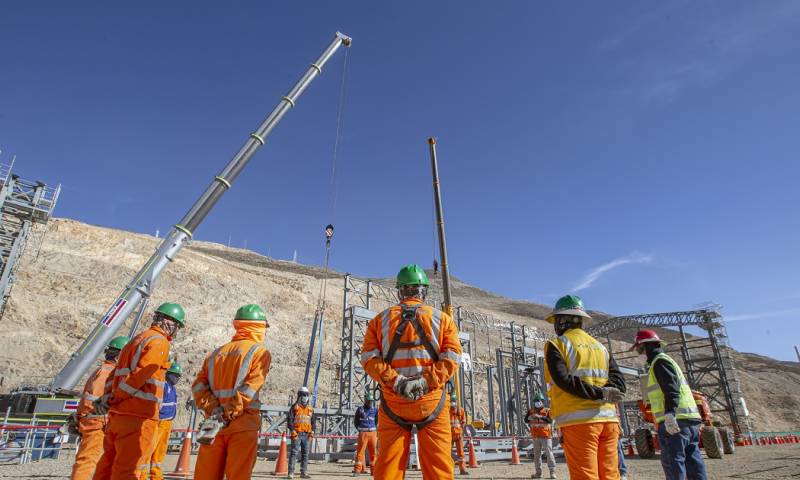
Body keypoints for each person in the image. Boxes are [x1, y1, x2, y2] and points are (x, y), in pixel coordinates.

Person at [361, 264, 462, 480]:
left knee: (387, 468)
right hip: (432, 402)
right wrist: (425, 383)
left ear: (400, 291)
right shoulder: (443, 320)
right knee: (439, 469)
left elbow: (369, 359)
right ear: (422, 290)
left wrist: (396, 381)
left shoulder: (379, 321)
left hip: (393, 403)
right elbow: (452, 358)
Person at [93, 302, 185, 480]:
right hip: (138, 415)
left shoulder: (136, 339)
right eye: (177, 326)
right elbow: (138, 377)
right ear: (168, 321)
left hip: (119, 415)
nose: (176, 331)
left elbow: (115, 374)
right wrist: (116, 398)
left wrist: (108, 399)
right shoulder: (159, 343)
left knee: (107, 465)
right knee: (128, 468)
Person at [542, 294, 626, 480]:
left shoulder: (557, 345)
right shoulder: (600, 347)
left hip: (579, 422)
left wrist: (598, 393)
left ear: (563, 321)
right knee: (610, 475)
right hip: (609, 422)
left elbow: (563, 380)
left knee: (585, 476)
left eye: (557, 320)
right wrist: (605, 393)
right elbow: (619, 382)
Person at [192, 304, 272, 480]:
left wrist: (215, 410)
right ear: (259, 328)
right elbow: (250, 389)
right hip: (242, 426)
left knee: (206, 475)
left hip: (214, 426)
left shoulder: (215, 354)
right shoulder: (260, 352)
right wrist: (228, 413)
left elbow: (198, 387)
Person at [631, 330, 707, 480]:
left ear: (646, 346)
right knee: (693, 462)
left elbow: (671, 389)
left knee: (673, 462)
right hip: (689, 420)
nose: (638, 353)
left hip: (675, 421)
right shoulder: (665, 360)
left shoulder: (660, 362)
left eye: (639, 349)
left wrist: (670, 413)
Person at [70, 336, 129, 480]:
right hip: (97, 424)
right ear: (120, 356)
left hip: (94, 421)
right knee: (88, 461)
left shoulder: (104, 370)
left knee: (95, 461)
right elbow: (97, 398)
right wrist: (104, 419)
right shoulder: (107, 372)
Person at [147, 362, 181, 480]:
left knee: (160, 451)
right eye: (175, 375)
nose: (177, 378)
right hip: (158, 422)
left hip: (167, 423)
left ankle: (156, 476)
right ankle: (141, 476)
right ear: (168, 374)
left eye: (178, 376)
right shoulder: (164, 386)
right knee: (150, 448)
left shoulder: (173, 388)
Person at [524, 392, 555, 479]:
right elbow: (526, 420)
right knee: (537, 456)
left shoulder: (547, 411)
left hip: (546, 436)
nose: (538, 402)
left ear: (542, 401)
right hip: (535, 436)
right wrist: (530, 417)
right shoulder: (531, 411)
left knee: (549, 454)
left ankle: (552, 472)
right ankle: (538, 473)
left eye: (539, 400)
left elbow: (550, 420)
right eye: (536, 400)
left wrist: (540, 417)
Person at [287, 386, 316, 479]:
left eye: (306, 395)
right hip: (297, 434)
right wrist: (292, 430)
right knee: (294, 453)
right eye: (303, 395)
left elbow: (313, 421)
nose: (305, 397)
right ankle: (291, 473)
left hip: (307, 435)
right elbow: (290, 420)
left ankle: (303, 472)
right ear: (299, 395)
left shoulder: (310, 408)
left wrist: (313, 431)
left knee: (305, 454)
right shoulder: (295, 407)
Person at [352, 391, 378, 476]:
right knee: (360, 452)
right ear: (365, 401)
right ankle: (357, 470)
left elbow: (377, 421)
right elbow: (356, 421)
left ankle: (374, 471)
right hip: (363, 433)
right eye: (368, 401)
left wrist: (375, 430)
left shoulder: (375, 410)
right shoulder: (360, 409)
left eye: (371, 401)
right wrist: (360, 429)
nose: (370, 402)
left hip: (373, 433)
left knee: (373, 452)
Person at [449, 394, 469, 476]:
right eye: (451, 401)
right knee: (447, 453)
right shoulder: (447, 410)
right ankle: (449, 470)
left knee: (461, 453)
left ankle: (463, 469)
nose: (452, 403)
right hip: (449, 435)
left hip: (458, 435)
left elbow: (463, 422)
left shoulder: (460, 410)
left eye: (454, 401)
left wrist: (461, 431)